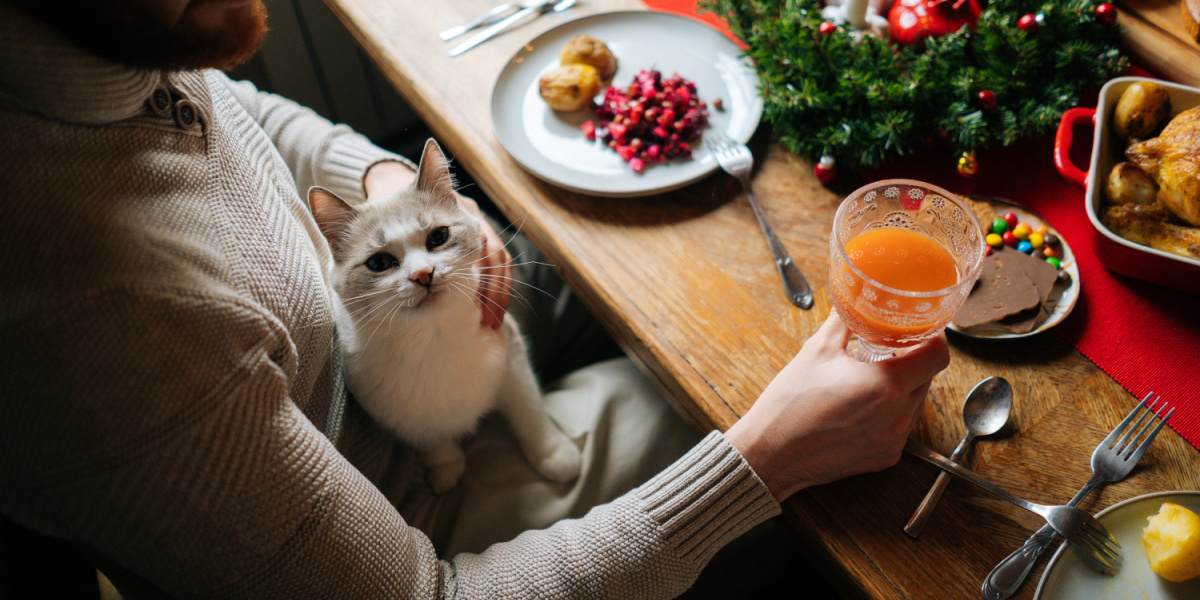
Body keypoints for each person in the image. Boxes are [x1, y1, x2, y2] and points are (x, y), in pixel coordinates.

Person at [0, 1, 950, 598]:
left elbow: (244, 111)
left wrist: (379, 187)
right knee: (726, 393)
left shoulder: (118, 41)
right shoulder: (87, 321)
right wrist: (764, 459)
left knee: (627, 248)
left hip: (369, 319)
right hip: (408, 510)